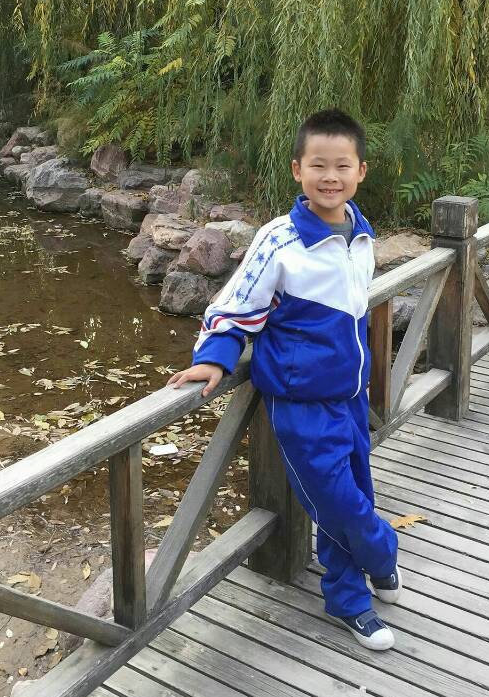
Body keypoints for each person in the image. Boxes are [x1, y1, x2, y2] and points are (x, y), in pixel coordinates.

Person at [167, 108, 401, 650]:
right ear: (297, 169)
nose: (330, 177)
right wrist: (217, 356)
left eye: (342, 166)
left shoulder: (361, 235)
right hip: (300, 403)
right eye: (318, 165)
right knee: (339, 503)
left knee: (353, 494)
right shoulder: (282, 240)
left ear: (360, 171)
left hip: (351, 397)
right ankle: (381, 554)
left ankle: (348, 599)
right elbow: (234, 307)